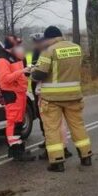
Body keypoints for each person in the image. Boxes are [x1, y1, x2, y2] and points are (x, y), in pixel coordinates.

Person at [30, 26, 92, 172]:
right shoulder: (76, 48)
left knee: (52, 129)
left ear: (49, 38)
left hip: (52, 98)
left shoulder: (48, 51)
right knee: (78, 126)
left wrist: (32, 73)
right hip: (74, 95)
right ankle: (86, 156)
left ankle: (57, 162)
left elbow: (40, 74)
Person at [29, 33, 72, 161]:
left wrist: (33, 72)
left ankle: (56, 150)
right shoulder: (40, 51)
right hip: (45, 90)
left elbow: (42, 72)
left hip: (46, 90)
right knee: (50, 122)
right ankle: (55, 145)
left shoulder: (47, 51)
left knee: (51, 124)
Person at [0, 36, 35, 162]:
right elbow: (5, 79)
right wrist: (22, 71)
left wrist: (28, 70)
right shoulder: (2, 60)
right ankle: (15, 150)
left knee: (19, 122)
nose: (20, 48)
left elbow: (21, 73)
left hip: (20, 93)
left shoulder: (16, 58)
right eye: (17, 46)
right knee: (13, 122)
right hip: (11, 94)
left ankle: (18, 148)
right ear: (11, 47)